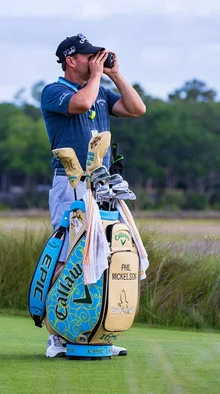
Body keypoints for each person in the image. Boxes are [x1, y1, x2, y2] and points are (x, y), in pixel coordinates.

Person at [40, 33, 146, 358]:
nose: (94, 61)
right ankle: (57, 336)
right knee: (67, 255)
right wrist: (99, 77)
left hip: (102, 184)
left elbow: (136, 108)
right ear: (71, 60)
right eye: (88, 57)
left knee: (104, 257)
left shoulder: (100, 88)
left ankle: (96, 331)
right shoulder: (54, 91)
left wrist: (114, 74)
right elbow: (82, 103)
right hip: (69, 181)